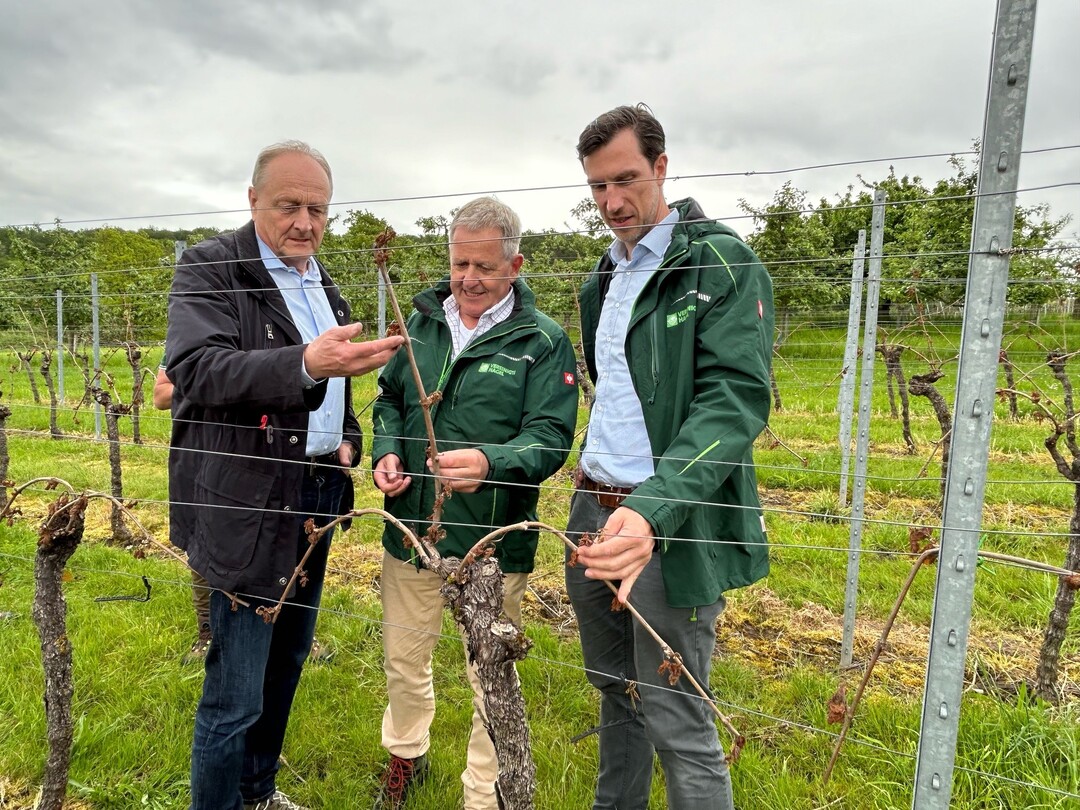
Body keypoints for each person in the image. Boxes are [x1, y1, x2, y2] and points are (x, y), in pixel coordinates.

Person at [166, 140, 404, 810]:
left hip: (318, 489)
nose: (305, 221)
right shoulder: (212, 268)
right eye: (289, 205)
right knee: (236, 686)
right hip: (249, 498)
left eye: (318, 209)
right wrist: (307, 363)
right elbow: (197, 370)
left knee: (289, 657)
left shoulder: (316, 276)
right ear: (252, 200)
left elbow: (331, 376)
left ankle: (258, 792)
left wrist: (347, 439)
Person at [564, 104, 774, 810]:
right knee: (614, 693)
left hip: (665, 519)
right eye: (596, 186)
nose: (612, 202)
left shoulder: (720, 261)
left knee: (678, 715)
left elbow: (735, 401)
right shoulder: (602, 279)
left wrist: (652, 510)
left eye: (625, 179)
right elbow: (616, 390)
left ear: (661, 167)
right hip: (592, 506)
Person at [370, 197, 579, 809]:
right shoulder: (423, 326)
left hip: (492, 543)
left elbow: (549, 438)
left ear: (515, 264)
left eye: (484, 268)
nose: (468, 279)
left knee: (489, 674)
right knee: (402, 660)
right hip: (412, 531)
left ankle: (482, 795)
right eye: (460, 264)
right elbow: (388, 397)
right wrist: (387, 449)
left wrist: (491, 464)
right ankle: (407, 753)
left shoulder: (541, 342)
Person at [156, 352, 334, 666]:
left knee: (289, 546)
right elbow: (160, 394)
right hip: (210, 455)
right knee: (208, 550)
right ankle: (208, 631)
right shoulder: (197, 333)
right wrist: (220, 384)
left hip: (271, 459)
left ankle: (287, 624)